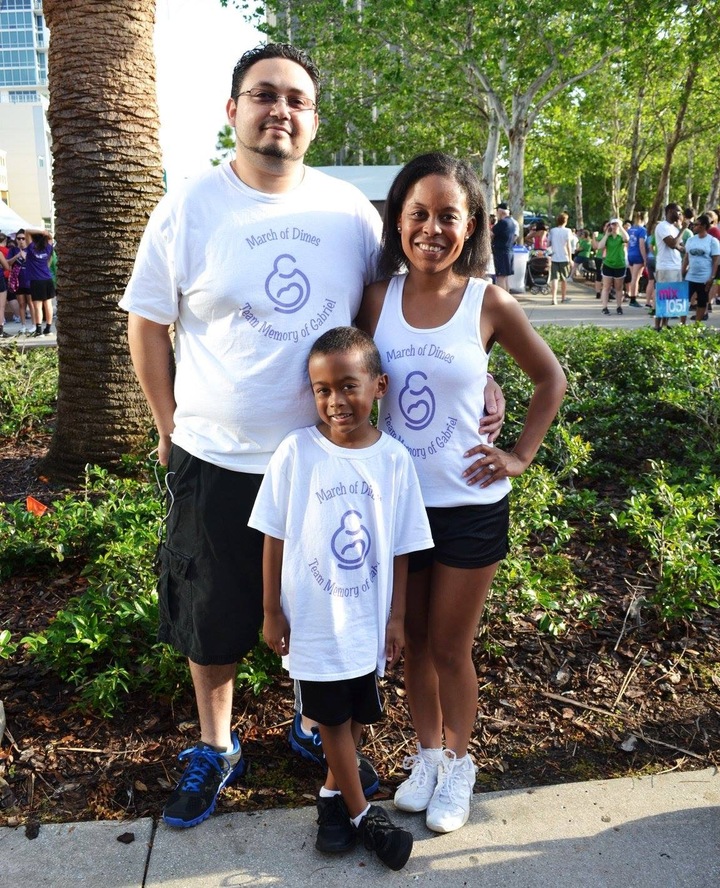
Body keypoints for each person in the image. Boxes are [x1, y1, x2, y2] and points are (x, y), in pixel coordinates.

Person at [120, 43, 506, 830]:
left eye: (296, 99)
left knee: (335, 598)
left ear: (314, 120)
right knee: (214, 611)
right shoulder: (188, 207)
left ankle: (316, 722)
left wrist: (480, 374)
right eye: (265, 95)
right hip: (219, 454)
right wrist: (167, 426)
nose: (280, 110)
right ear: (233, 110)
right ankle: (217, 744)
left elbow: (403, 309)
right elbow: (147, 323)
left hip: (332, 460)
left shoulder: (348, 213)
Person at [356, 153, 566, 834]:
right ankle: (425, 757)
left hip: (470, 507)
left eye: (448, 215)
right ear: (398, 220)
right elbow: (345, 379)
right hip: (399, 507)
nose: (432, 229)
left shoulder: (488, 302)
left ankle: (458, 762)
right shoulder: (376, 299)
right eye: (418, 213)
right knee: (413, 645)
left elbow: (550, 380)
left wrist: (519, 455)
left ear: (470, 224)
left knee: (450, 648)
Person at [249, 326, 432, 870]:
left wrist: (396, 618)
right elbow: (273, 535)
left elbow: (401, 545)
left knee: (355, 717)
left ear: (379, 386)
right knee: (329, 719)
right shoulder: (296, 452)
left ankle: (331, 799)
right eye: (322, 389)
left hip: (367, 619)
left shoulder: (394, 460)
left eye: (348, 386)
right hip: (313, 619)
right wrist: (270, 609)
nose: (335, 401)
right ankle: (363, 814)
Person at [655, 202, 688, 328]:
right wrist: (683, 229)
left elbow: (681, 247)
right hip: (665, 267)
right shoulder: (662, 226)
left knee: (671, 298)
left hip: (676, 266)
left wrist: (680, 244)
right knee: (663, 296)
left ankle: (665, 324)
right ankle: (657, 326)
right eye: (678, 211)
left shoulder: (674, 229)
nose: (680, 214)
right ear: (670, 211)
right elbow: (673, 244)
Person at [682, 212, 719, 322]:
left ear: (703, 226)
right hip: (690, 276)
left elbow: (716, 261)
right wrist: (682, 271)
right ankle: (682, 324)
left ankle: (697, 324)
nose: (693, 226)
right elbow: (686, 258)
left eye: (696, 224)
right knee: (684, 300)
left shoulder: (712, 241)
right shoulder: (691, 240)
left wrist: (712, 277)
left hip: (704, 277)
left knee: (702, 301)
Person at [24, 228, 55, 336]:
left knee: (37, 306)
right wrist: (45, 233)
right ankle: (48, 329)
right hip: (47, 279)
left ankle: (39, 330)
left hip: (36, 281)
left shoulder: (31, 248)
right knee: (48, 304)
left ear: (33, 239)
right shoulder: (48, 248)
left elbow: (27, 231)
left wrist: (41, 232)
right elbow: (50, 238)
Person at [596, 218, 629, 315]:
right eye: (612, 224)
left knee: (619, 287)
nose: (614, 226)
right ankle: (604, 307)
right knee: (606, 287)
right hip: (608, 264)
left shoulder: (621, 236)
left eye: (616, 224)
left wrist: (621, 227)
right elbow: (599, 246)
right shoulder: (608, 237)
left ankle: (619, 307)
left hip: (619, 265)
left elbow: (627, 239)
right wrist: (606, 234)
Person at [547, 212, 573, 305]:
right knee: (564, 279)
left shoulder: (552, 231)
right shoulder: (568, 231)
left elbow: (548, 243)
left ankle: (554, 298)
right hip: (564, 257)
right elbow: (568, 245)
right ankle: (563, 297)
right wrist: (570, 258)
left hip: (554, 257)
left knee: (554, 278)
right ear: (566, 221)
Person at [491, 202, 517, 291]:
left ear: (500, 212)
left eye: (497, 211)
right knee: (505, 278)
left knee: (500, 277)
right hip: (509, 252)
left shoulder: (502, 223)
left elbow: (490, 234)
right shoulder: (512, 222)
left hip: (501, 253)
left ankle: (501, 298)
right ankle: (507, 297)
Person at [626, 213, 647, 307]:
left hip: (630, 254)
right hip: (638, 255)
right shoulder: (642, 230)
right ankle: (633, 298)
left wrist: (628, 253)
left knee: (633, 277)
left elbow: (627, 243)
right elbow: (642, 245)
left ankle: (632, 295)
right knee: (636, 278)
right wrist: (645, 259)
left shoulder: (630, 230)